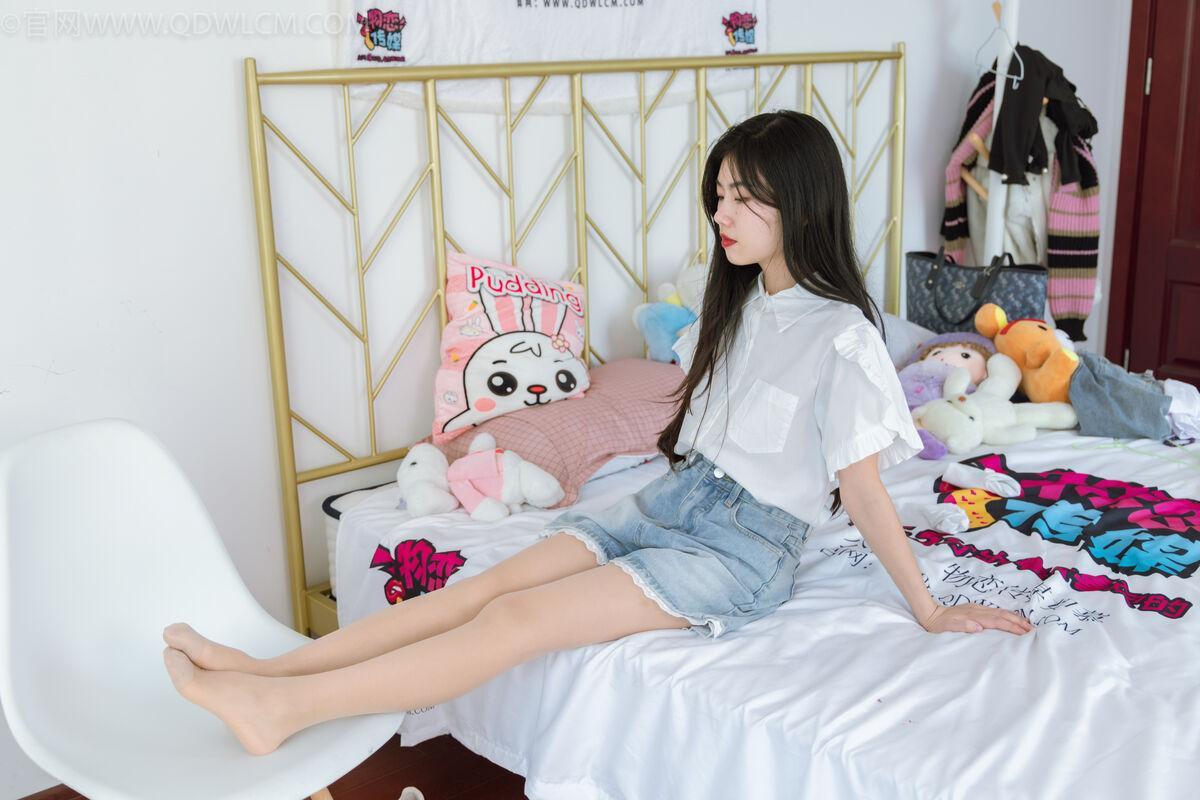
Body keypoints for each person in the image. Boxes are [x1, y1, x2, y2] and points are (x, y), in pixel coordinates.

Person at [162, 110, 1033, 756]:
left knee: (515, 620)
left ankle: (282, 712)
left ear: (801, 206)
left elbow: (865, 491)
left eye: (743, 197)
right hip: (673, 499)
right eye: (719, 195)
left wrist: (929, 609)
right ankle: (267, 672)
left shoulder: (843, 336)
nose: (722, 214)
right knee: (477, 592)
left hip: (742, 550)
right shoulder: (739, 303)